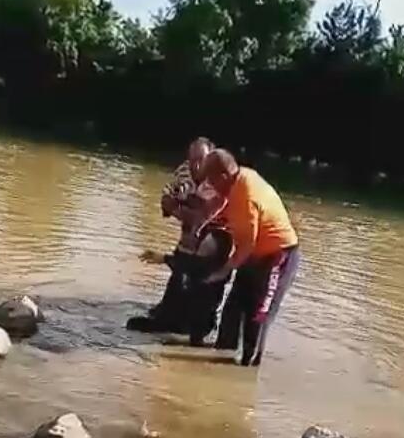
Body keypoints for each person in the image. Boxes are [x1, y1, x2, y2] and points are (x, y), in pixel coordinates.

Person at [201, 149, 300, 366]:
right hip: (253, 256)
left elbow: (247, 245)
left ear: (224, 176)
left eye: (211, 179)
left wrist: (223, 271)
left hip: (277, 256)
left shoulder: (246, 195)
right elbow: (226, 209)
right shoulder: (240, 178)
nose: (210, 184)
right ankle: (216, 369)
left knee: (257, 320)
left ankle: (246, 376)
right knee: (231, 315)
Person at [127, 138, 230, 341]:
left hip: (216, 239)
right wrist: (177, 206)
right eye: (192, 161)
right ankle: (170, 312)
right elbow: (167, 199)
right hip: (190, 236)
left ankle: (202, 324)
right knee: (179, 274)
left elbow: (202, 215)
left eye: (201, 160)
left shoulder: (219, 180)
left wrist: (181, 208)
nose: (196, 166)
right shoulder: (184, 170)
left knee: (204, 287)